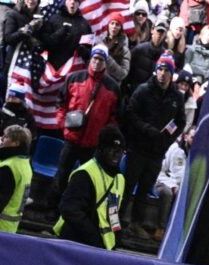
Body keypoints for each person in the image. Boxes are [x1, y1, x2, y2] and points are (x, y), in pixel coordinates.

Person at [49, 45, 120, 207]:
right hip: (71, 138)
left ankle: (75, 209)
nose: (97, 62)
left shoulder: (113, 87)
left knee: (84, 180)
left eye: (101, 60)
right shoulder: (74, 78)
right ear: (90, 59)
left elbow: (114, 117)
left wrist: (103, 137)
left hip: (93, 143)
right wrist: (63, 125)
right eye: (95, 58)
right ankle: (52, 208)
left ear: (106, 62)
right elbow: (61, 103)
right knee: (61, 174)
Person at [123, 51, 186, 227]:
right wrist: (145, 128)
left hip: (157, 152)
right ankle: (117, 222)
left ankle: (136, 224)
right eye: (160, 69)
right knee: (127, 188)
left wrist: (167, 137)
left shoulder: (177, 97)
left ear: (171, 73)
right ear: (156, 70)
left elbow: (180, 121)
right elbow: (130, 113)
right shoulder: (143, 90)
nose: (163, 73)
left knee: (145, 189)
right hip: (138, 148)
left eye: (167, 70)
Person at [54, 125, 126, 250]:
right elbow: (69, 209)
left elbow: (113, 212)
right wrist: (94, 238)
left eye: (120, 151)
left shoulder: (120, 179)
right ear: (101, 149)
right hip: (76, 241)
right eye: (112, 149)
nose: (116, 154)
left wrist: (116, 238)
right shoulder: (84, 173)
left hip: (102, 246)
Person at [152, 131, 189, 241]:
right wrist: (173, 185)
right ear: (185, 137)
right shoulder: (175, 149)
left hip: (179, 184)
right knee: (168, 193)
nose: (195, 139)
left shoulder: (195, 153)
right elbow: (166, 172)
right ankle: (161, 228)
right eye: (192, 136)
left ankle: (177, 231)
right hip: (162, 180)